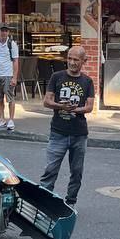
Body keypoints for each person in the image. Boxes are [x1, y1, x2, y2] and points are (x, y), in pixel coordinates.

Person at [40, 46, 95, 207]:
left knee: (76, 172)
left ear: (83, 61)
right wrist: (60, 106)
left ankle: (70, 203)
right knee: (50, 170)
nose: (71, 62)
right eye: (69, 58)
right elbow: (46, 101)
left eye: (76, 59)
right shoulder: (56, 77)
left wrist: (75, 109)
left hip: (79, 134)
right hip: (58, 132)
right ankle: (44, 204)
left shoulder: (87, 81)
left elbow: (89, 106)